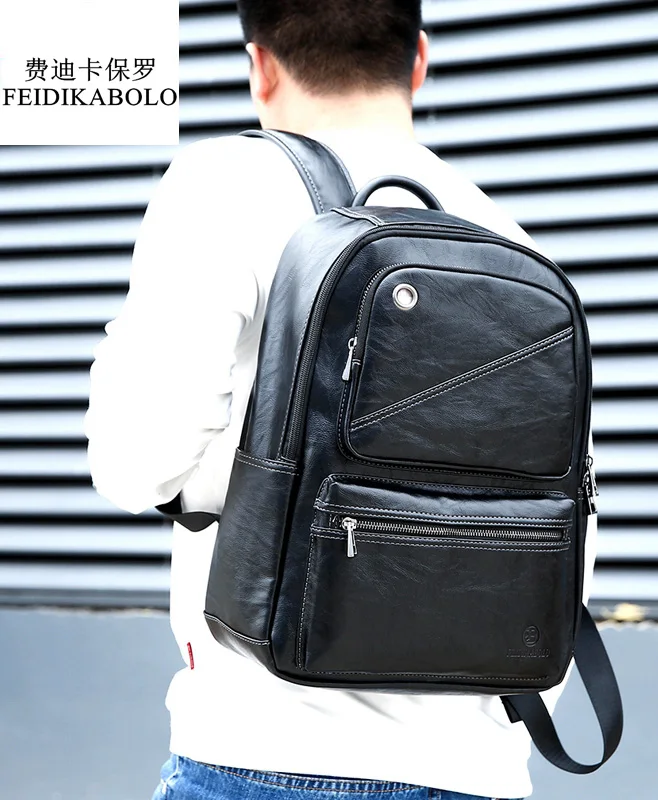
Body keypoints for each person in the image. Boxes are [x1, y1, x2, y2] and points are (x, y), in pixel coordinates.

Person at [84, 2, 599, 798]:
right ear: (418, 59)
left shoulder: (225, 185)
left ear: (260, 66)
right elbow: (571, 517)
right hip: (477, 771)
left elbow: (134, 463)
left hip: (264, 750)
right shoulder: (508, 240)